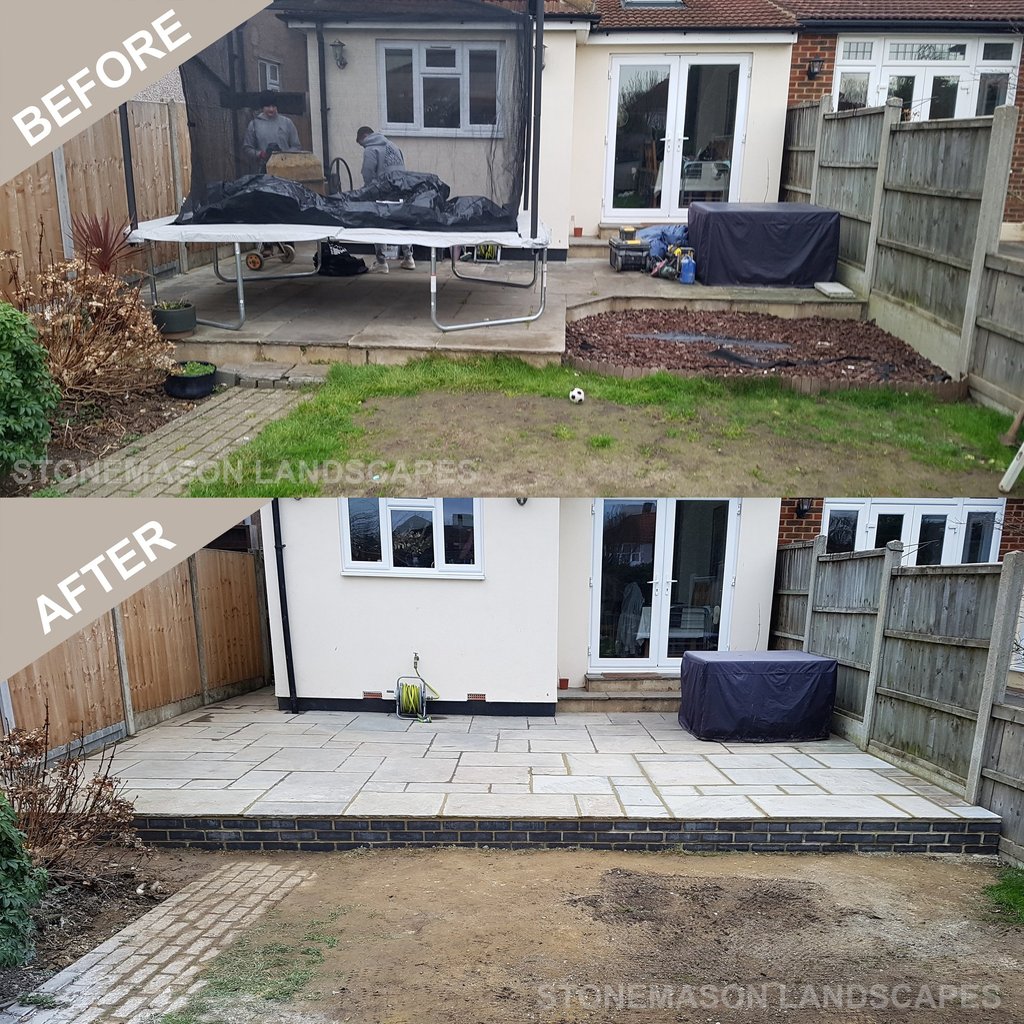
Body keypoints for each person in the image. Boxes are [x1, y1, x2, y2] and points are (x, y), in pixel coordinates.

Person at [356, 126, 415, 272]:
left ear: (363, 137)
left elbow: (368, 173)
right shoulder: (394, 146)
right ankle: (408, 258)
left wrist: (368, 191)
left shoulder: (370, 149)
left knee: (378, 225)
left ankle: (381, 262)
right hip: (399, 191)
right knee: (401, 224)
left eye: (360, 143)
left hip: (381, 193)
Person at [243, 92, 301, 172]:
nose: (271, 109)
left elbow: (296, 146)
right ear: (262, 107)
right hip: (264, 171)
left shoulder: (287, 123)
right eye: (268, 106)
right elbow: (247, 148)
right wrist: (260, 154)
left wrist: (284, 155)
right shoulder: (254, 125)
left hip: (286, 169)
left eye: (273, 106)